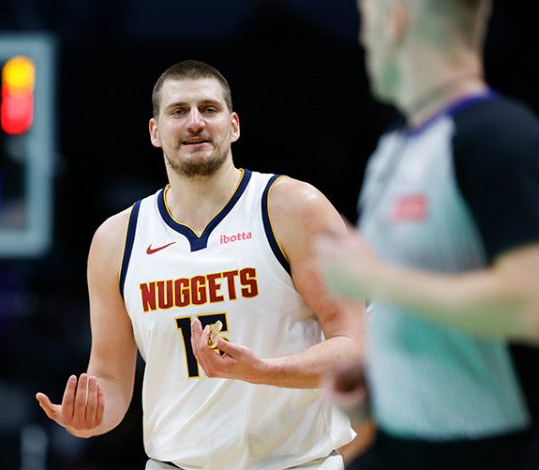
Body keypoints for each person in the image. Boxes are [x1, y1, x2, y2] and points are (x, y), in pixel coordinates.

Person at [35, 60, 365, 469]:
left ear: (234, 125)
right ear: (155, 132)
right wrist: (90, 419)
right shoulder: (116, 239)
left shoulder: (294, 209)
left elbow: (355, 348)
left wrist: (262, 371)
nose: (195, 122)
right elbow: (110, 377)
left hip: (296, 463)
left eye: (209, 109)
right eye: (178, 111)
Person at [314, 0, 539, 468]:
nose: (362, 39)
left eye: (366, 21)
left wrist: (375, 279)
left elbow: (528, 304)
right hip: (398, 446)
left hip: (489, 454)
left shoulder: (501, 138)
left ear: (395, 21)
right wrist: (381, 383)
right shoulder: (392, 149)